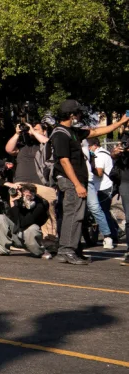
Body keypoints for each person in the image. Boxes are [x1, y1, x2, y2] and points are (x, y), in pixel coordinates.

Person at [49, 99, 129, 265]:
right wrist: (77, 184)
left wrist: (120, 122)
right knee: (74, 215)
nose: (80, 115)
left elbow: (96, 131)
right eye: (78, 113)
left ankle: (72, 249)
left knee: (77, 215)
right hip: (72, 181)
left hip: (76, 181)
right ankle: (67, 250)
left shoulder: (71, 131)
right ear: (71, 115)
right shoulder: (60, 134)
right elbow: (64, 161)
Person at [5, 120, 59, 240]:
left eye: (36, 128)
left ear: (44, 131)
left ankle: (49, 239)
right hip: (21, 183)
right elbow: (9, 149)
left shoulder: (46, 145)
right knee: (18, 211)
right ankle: (19, 238)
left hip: (42, 185)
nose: (30, 131)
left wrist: (33, 131)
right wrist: (17, 133)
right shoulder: (22, 146)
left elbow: (47, 142)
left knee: (48, 212)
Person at [0, 182, 49, 257]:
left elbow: (23, 222)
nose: (26, 197)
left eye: (28, 195)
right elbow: (12, 217)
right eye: (24, 194)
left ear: (33, 195)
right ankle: (2, 250)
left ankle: (40, 252)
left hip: (29, 237)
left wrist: (15, 207)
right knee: (0, 218)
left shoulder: (40, 205)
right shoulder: (18, 201)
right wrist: (12, 201)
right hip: (16, 235)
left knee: (33, 228)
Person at [86, 139, 120, 250]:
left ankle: (112, 235)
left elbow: (99, 173)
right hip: (104, 186)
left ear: (95, 145)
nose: (88, 148)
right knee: (104, 212)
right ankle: (114, 232)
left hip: (103, 187)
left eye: (89, 146)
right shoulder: (104, 152)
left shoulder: (99, 155)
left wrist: (89, 167)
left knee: (102, 212)